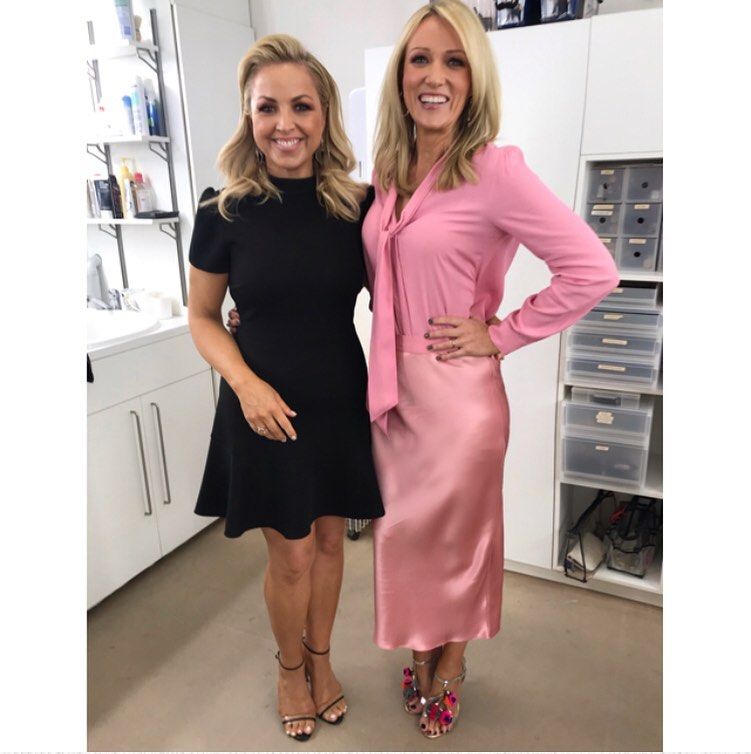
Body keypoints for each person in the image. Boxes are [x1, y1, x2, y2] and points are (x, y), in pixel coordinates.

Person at [363, 0, 620, 739]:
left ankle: (450, 662)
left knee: (456, 542)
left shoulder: (494, 170)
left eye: (454, 62)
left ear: (475, 78)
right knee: (402, 537)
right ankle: (419, 647)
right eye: (420, 59)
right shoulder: (386, 173)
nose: (434, 77)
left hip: (457, 398)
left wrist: (501, 335)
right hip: (392, 395)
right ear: (400, 75)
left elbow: (592, 269)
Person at [187, 34, 384, 742]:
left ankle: (322, 660)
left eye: (301, 106)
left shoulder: (359, 206)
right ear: (248, 116)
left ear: (325, 114)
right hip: (262, 406)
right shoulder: (222, 212)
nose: (284, 124)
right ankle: (289, 667)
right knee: (292, 552)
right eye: (267, 107)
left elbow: (402, 292)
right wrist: (245, 384)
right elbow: (202, 317)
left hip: (338, 395)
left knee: (331, 543)